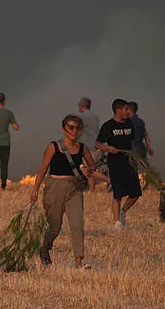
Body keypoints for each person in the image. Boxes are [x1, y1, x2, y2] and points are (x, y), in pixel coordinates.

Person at [30, 115, 97, 269]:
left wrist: (88, 170)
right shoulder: (53, 147)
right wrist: (35, 190)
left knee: (77, 224)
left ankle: (79, 260)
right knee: (55, 225)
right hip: (55, 187)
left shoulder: (82, 148)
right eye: (71, 127)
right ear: (64, 128)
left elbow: (92, 165)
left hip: (74, 188)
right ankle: (45, 249)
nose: (74, 131)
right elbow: (42, 169)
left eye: (77, 128)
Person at [95, 99, 141, 231]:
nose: (128, 112)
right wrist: (109, 149)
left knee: (136, 193)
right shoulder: (108, 126)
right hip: (115, 163)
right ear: (118, 110)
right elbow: (97, 144)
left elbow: (131, 142)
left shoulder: (129, 124)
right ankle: (116, 222)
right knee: (118, 193)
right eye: (126, 109)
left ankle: (123, 212)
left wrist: (135, 156)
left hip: (129, 161)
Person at [77, 96, 108, 191]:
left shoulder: (81, 117)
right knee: (90, 170)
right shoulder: (95, 117)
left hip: (90, 148)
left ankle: (110, 181)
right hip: (97, 146)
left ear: (81, 105)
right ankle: (91, 191)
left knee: (88, 170)